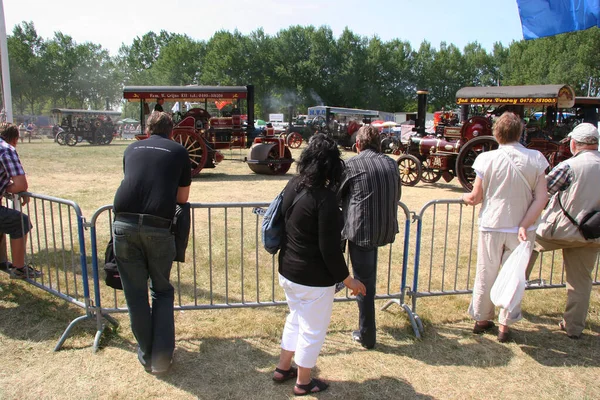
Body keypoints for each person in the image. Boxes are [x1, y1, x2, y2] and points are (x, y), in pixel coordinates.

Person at [274, 133, 366, 396]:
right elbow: (329, 251)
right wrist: (350, 281)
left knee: (295, 319)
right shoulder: (325, 199)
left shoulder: (293, 185)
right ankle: (303, 381)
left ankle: (283, 368)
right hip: (312, 279)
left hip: (288, 271)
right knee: (312, 329)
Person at [112, 111, 191, 375]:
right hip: (158, 228)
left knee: (135, 294)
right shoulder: (179, 151)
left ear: (147, 129)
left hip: (122, 225)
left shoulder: (131, 148)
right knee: (162, 290)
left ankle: (146, 354)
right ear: (172, 130)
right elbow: (182, 197)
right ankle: (161, 358)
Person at [462, 112, 548, 342]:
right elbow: (542, 198)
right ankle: (504, 324)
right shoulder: (537, 159)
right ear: (520, 133)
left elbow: (476, 196)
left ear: (496, 133)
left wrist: (466, 199)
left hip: (492, 224)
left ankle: (481, 318)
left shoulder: (486, 159)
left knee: (485, 273)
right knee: (514, 277)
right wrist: (525, 223)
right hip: (521, 229)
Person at [528, 122, 600, 339]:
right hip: (591, 232)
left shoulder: (568, 166)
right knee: (581, 282)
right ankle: (574, 327)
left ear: (574, 143)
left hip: (557, 230)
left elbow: (543, 191)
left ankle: (506, 311)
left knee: (520, 259)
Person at [338, 125, 401, 349]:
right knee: (367, 280)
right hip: (383, 229)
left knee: (364, 284)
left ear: (358, 145)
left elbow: (338, 193)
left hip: (362, 231)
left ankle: (367, 335)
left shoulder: (352, 164)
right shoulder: (391, 163)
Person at [0, 123, 42, 279]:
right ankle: (19, 268)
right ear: (15, 139)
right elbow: (20, 184)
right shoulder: (6, 149)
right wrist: (9, 188)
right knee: (20, 222)